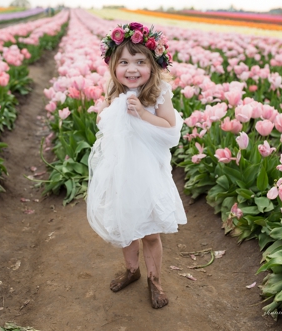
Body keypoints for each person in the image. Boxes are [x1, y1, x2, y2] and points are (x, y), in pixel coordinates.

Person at [86, 22, 186, 309]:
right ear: (113, 67)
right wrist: (106, 112)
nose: (132, 69)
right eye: (124, 62)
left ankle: (154, 279)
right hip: (120, 171)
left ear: (153, 66)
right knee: (125, 226)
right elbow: (104, 125)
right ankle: (132, 270)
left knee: (150, 232)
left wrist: (142, 113)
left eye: (140, 61)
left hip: (148, 173)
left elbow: (170, 129)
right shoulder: (113, 91)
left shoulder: (158, 93)